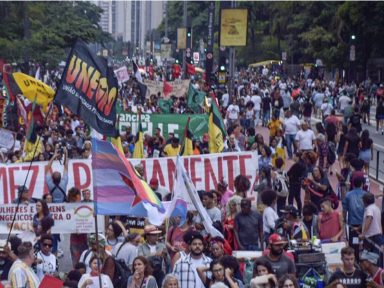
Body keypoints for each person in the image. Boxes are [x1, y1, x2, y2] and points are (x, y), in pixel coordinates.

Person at [342, 177, 367, 260]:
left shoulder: (348, 195)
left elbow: (344, 209)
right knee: (365, 243)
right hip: (364, 223)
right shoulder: (366, 194)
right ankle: (364, 260)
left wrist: (344, 219)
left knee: (353, 243)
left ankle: (355, 260)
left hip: (352, 224)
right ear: (362, 184)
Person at [360, 193, 383, 260]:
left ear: (365, 201)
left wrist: (363, 234)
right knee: (378, 256)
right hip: (378, 235)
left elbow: (369, 219)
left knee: (370, 258)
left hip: (371, 236)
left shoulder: (369, 209)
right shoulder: (376, 208)